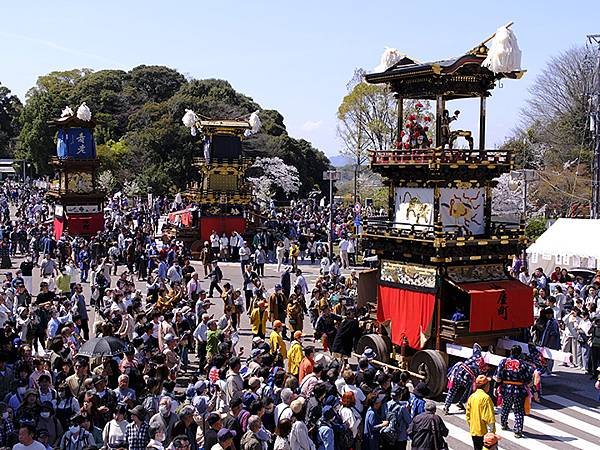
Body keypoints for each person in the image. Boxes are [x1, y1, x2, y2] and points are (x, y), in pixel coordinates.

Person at [494, 345, 533, 438]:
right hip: (519, 391)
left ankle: (503, 424)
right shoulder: (523, 364)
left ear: (510, 352)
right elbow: (529, 381)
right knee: (518, 411)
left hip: (506, 389)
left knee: (505, 407)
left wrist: (496, 387)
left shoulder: (504, 362)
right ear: (520, 354)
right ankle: (518, 430)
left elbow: (498, 378)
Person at [466, 375, 496, 450]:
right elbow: (489, 418)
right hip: (484, 432)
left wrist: (472, 426)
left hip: (474, 431)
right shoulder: (486, 398)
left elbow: (468, 415)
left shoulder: (472, 397)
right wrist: (491, 433)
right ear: (485, 385)